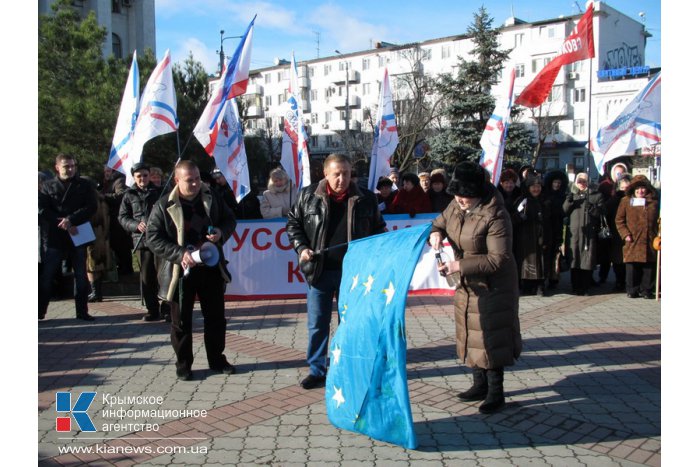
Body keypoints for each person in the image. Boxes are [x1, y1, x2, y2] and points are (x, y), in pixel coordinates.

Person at [286, 153, 386, 390]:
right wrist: (302, 248)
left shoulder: (366, 198)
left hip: (353, 274)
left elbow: (379, 229)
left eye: (346, 173)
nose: (342, 179)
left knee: (350, 324)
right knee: (317, 324)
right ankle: (317, 370)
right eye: (336, 174)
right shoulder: (308, 196)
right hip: (319, 272)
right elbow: (293, 224)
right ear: (326, 174)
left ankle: (348, 368)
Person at [429, 161, 520, 414]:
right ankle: (479, 384)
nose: (460, 200)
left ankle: (495, 393)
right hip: (468, 284)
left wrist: (459, 266)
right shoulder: (456, 205)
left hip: (493, 285)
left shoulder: (496, 214)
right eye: (457, 195)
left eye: (466, 196)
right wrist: (435, 232)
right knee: (471, 332)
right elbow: (439, 222)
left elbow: (498, 258)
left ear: (478, 193)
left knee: (491, 336)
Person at [147, 160, 237, 381]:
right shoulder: (163, 205)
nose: (196, 183)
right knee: (181, 322)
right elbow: (153, 238)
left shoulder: (212, 197)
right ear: (177, 181)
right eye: (190, 180)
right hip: (180, 272)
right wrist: (179, 254)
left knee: (216, 318)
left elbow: (229, 220)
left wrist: (219, 232)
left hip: (211, 268)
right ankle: (184, 364)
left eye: (197, 178)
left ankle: (217, 359)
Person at [39, 154, 97, 321]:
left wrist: (71, 220)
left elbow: (91, 207)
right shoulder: (47, 186)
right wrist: (62, 222)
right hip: (55, 236)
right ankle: (40, 311)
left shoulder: (84, 185)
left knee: (80, 275)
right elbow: (41, 208)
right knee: (47, 276)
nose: (70, 169)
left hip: (78, 233)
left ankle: (82, 311)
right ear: (57, 167)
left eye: (72, 166)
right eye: (66, 166)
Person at [119, 162, 163, 321]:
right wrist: (136, 225)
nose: (143, 178)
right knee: (147, 277)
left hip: (161, 240)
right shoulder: (129, 195)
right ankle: (152, 310)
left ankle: (166, 308)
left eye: (145, 175)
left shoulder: (160, 191)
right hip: (141, 241)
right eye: (139, 176)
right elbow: (123, 217)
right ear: (134, 178)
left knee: (163, 276)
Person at [614, 175, 659, 299]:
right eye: (638, 188)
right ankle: (632, 290)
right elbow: (619, 220)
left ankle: (647, 290)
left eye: (643, 188)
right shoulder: (625, 201)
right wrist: (625, 234)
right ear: (633, 189)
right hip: (632, 239)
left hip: (650, 239)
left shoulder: (654, 202)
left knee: (648, 266)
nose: (640, 191)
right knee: (633, 267)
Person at [563, 172, 605, 296]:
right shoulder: (572, 195)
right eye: (579, 181)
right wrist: (568, 201)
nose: (582, 184)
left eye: (584, 181)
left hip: (589, 233)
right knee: (574, 260)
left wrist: (592, 208)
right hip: (574, 233)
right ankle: (575, 287)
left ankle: (586, 286)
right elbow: (564, 211)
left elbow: (601, 212)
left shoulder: (596, 195)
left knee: (587, 260)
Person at [512, 175, 552, 296]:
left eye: (538, 186)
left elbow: (551, 220)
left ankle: (540, 285)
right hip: (525, 238)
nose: (536, 189)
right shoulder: (522, 201)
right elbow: (512, 219)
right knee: (527, 263)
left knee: (541, 262)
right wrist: (520, 217)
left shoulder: (545, 201)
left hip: (542, 237)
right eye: (533, 187)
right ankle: (527, 286)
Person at [99, 166, 132, 276]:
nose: (106, 173)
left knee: (121, 246)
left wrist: (103, 196)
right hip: (111, 219)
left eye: (108, 171)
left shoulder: (119, 181)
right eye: (105, 171)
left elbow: (120, 196)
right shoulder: (108, 182)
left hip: (118, 219)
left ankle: (126, 270)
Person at [543, 170, 568, 289]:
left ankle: (554, 278)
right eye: (555, 182)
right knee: (546, 253)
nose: (557, 185)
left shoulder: (563, 195)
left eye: (559, 182)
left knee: (556, 254)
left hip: (558, 227)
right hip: (547, 227)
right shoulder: (545, 195)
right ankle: (545, 277)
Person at [606, 174, 631, 291]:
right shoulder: (613, 200)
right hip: (616, 234)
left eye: (627, 188)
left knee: (629, 260)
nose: (624, 190)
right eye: (622, 188)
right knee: (617, 260)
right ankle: (619, 282)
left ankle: (629, 283)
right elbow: (608, 216)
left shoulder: (634, 200)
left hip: (630, 233)